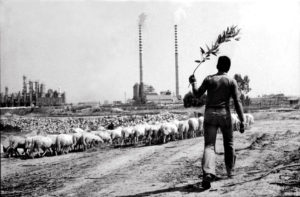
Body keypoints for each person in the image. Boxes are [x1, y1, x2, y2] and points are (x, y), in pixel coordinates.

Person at [189, 56, 245, 189]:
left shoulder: (209, 79)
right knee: (229, 143)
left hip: (209, 114)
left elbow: (197, 94)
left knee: (209, 145)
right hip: (224, 114)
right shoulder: (231, 81)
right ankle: (230, 170)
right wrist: (242, 120)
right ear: (228, 67)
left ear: (217, 66)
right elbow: (237, 102)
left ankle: (208, 173)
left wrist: (193, 82)